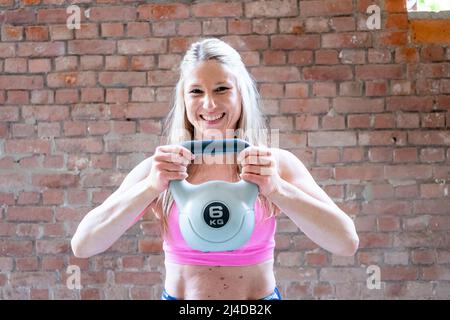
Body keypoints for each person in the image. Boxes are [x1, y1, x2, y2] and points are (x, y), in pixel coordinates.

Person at [71, 38, 359, 300]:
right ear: (184, 100)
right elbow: (83, 245)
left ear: (241, 94)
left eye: (221, 89)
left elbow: (346, 242)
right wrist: (149, 188)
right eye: (196, 91)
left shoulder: (276, 164)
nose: (209, 104)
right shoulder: (160, 170)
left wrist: (278, 190)